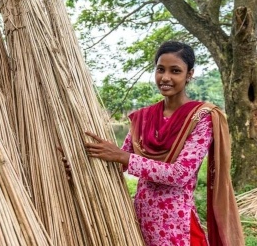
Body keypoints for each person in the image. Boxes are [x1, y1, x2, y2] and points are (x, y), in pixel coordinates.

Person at [84, 41, 245, 246]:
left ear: (189, 75)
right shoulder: (144, 117)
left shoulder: (201, 117)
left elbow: (180, 174)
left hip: (177, 226)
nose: (165, 77)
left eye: (175, 71)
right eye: (160, 69)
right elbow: (118, 161)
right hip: (139, 221)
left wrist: (124, 157)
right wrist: (84, 160)